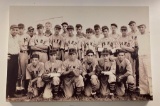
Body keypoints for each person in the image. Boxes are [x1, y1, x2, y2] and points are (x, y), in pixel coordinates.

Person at [137, 24, 152, 100]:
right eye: (139, 28)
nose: (141, 29)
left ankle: (151, 92)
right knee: (142, 74)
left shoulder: (149, 35)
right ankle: (143, 92)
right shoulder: (138, 37)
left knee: (149, 74)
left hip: (148, 56)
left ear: (145, 27)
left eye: (142, 27)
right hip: (141, 56)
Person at [16, 23, 30, 95]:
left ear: (24, 29)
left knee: (24, 72)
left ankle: (24, 88)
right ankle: (18, 88)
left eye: (22, 28)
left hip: (24, 53)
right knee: (18, 72)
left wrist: (29, 55)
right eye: (19, 28)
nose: (20, 30)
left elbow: (30, 47)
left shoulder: (27, 36)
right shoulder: (16, 36)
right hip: (17, 54)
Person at [6, 25, 20, 98]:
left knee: (14, 75)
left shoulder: (17, 37)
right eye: (13, 30)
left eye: (16, 30)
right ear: (10, 30)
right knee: (9, 75)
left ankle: (12, 93)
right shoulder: (6, 37)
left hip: (16, 57)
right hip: (9, 57)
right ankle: (6, 93)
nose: (15, 31)